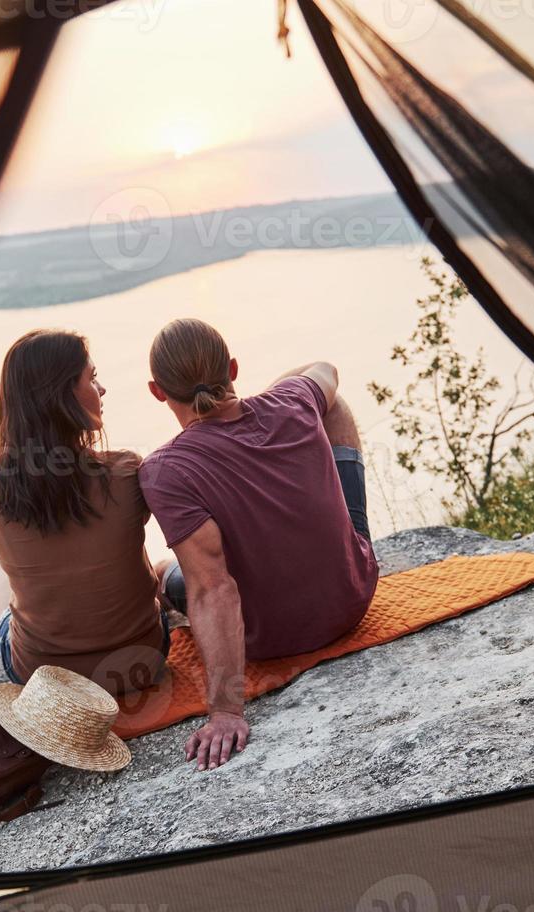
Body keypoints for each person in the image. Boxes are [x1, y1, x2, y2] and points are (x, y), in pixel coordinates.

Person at [139, 318, 379, 771]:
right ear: (232, 367)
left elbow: (212, 588)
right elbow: (324, 368)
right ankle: (342, 549)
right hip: (352, 598)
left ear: (157, 391)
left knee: (158, 572)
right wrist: (269, 405)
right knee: (332, 404)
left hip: (267, 639)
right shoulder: (291, 401)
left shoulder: (164, 470)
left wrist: (225, 710)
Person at [0, 329, 169, 695]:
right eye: (91, 378)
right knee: (152, 563)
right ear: (61, 397)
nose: (102, 389)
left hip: (48, 682)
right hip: (143, 662)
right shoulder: (125, 473)